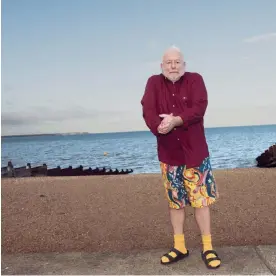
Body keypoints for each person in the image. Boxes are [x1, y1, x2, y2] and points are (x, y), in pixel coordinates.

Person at [140, 46, 221, 269]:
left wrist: (176, 120)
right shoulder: (153, 83)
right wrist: (159, 125)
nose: (173, 66)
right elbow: (147, 110)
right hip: (169, 154)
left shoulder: (195, 80)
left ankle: (208, 247)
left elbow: (199, 108)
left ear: (184, 65)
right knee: (176, 203)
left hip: (195, 153)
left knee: (201, 201)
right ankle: (180, 246)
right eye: (169, 62)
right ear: (162, 66)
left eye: (177, 62)